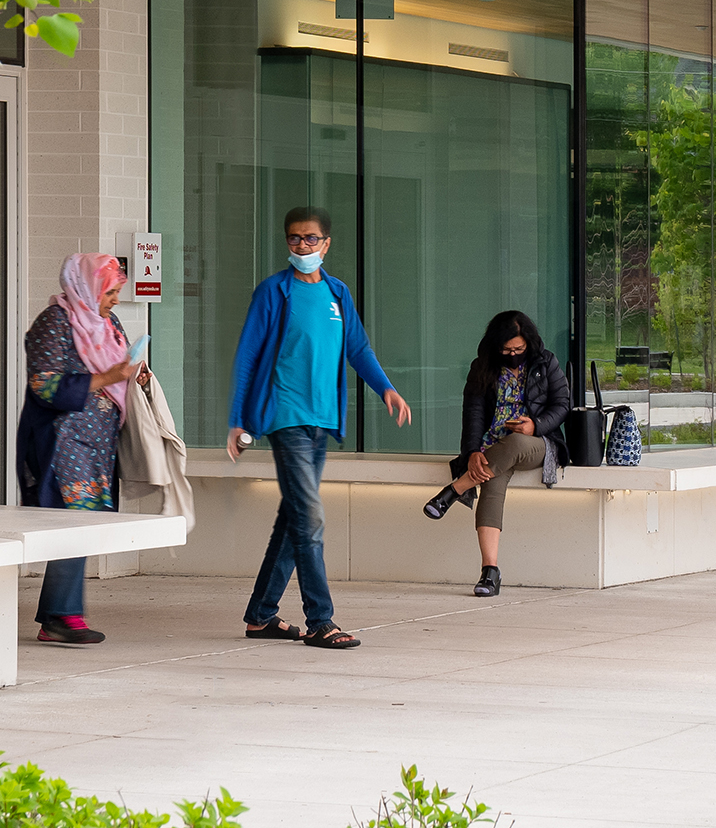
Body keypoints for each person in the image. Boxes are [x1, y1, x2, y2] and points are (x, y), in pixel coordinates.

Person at [228, 206, 412, 649]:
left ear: (326, 244)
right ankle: (320, 621)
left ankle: (261, 616)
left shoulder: (336, 292)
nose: (302, 246)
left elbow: (358, 348)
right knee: (310, 519)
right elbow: (248, 355)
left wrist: (386, 388)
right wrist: (237, 419)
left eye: (311, 239)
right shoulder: (274, 291)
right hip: (286, 417)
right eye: (294, 238)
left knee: (294, 518)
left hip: (321, 421)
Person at [17, 251, 151, 646]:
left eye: (116, 292)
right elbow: (44, 384)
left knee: (85, 523)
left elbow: (118, 370)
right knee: (76, 519)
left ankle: (60, 614)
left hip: (98, 442)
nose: (115, 300)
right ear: (87, 288)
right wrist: (108, 377)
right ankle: (61, 616)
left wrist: (135, 377)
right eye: (109, 292)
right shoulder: (54, 322)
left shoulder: (108, 323)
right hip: (63, 440)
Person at [423, 309, 573, 596]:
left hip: (537, 442)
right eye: (507, 350)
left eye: (519, 349)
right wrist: (472, 453)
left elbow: (562, 404)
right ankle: (490, 572)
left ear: (528, 342)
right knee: (490, 483)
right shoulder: (482, 366)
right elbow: (473, 413)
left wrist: (535, 425)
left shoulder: (546, 362)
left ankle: (456, 489)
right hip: (493, 448)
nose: (513, 354)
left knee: (515, 443)